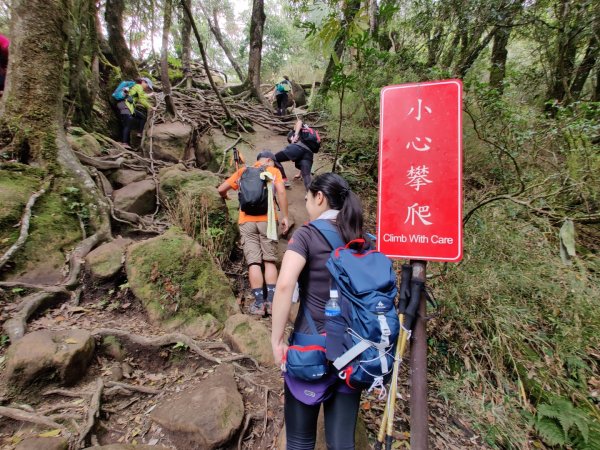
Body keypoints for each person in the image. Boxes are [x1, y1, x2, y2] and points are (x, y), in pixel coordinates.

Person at [271, 173, 364, 450]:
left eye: (308, 198)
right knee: (342, 443)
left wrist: (276, 340)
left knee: (300, 441)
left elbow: (285, 284)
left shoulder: (307, 234)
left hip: (310, 348)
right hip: (353, 351)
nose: (307, 204)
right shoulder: (360, 238)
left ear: (319, 198)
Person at [217, 151, 290, 316]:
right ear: (269, 161)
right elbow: (281, 192)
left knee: (254, 263)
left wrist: (226, 196)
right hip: (268, 221)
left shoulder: (244, 171)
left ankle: (258, 304)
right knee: (269, 260)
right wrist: (285, 216)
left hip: (246, 221)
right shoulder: (272, 171)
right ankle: (271, 303)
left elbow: (221, 189)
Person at [274, 120, 313, 190]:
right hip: (309, 153)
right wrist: (300, 174)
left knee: (274, 158)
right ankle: (312, 195)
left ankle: (284, 180)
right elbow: (302, 156)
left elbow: (300, 121)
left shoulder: (296, 131)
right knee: (306, 175)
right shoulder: (306, 135)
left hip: (298, 149)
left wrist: (295, 134)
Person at [116, 77, 154, 149]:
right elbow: (142, 99)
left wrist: (150, 95)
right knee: (128, 123)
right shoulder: (138, 86)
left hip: (126, 106)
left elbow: (141, 96)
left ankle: (139, 133)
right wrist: (151, 107)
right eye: (147, 85)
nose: (147, 87)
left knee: (142, 117)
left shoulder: (135, 87)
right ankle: (124, 143)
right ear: (143, 82)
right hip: (125, 105)